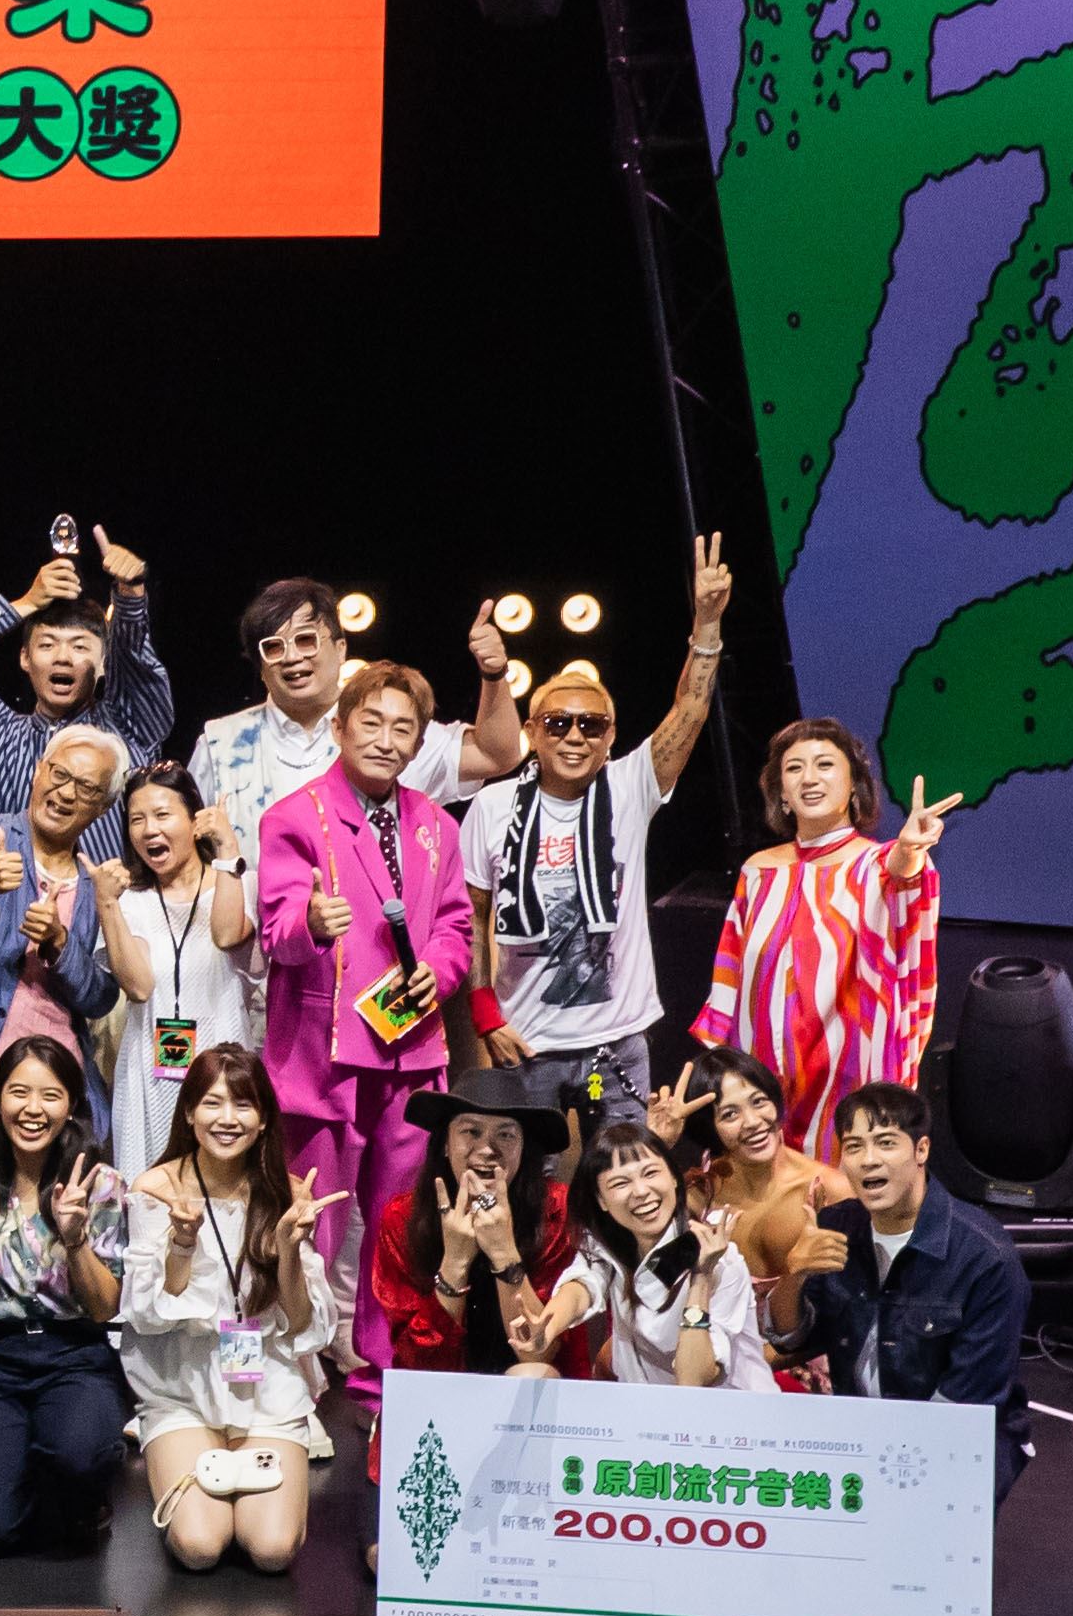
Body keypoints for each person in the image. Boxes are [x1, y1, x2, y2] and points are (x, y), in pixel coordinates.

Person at [463, 537, 736, 1122]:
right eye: (557, 723)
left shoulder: (629, 786)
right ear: (532, 732)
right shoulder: (492, 805)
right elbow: (472, 921)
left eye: (591, 724)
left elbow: (689, 711)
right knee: (530, 1174)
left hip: (616, 1043)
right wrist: (485, 1017)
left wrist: (707, 626)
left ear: (610, 737)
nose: (574, 735)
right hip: (525, 1041)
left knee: (625, 1169)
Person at [250, 658, 473, 1277]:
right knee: (308, 1226)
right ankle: (295, 1335)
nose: (385, 740)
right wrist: (311, 922)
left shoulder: (436, 825)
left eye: (403, 729)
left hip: (411, 1050)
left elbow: (456, 926)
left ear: (419, 744)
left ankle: (385, 1343)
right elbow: (276, 935)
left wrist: (438, 970)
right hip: (323, 1057)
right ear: (339, 728)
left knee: (400, 1230)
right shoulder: (294, 818)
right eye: (371, 723)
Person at [114, 1042, 346, 1576]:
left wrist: (289, 1250)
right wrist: (181, 1245)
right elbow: (150, 1315)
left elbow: (303, 1325)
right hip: (182, 1388)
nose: (227, 1119)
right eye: (212, 1103)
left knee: (271, 1550)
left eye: (243, 1105)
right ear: (188, 1113)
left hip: (265, 1390)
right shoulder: (158, 1189)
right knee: (200, 1546)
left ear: (263, 1120)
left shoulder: (288, 1194)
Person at [0, 1016, 133, 1551]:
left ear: (72, 1106)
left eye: (50, 1095)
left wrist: (76, 1239)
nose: (33, 1109)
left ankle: (72, 1483)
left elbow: (104, 1308)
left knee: (80, 1457)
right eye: (18, 1092)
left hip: (75, 1353)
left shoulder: (99, 1184)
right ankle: (17, 1470)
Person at [704, 721, 957, 1124]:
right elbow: (729, 979)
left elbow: (903, 872)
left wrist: (909, 849)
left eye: (824, 764)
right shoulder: (758, 872)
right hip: (764, 1084)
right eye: (794, 768)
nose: (809, 778)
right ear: (782, 794)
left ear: (854, 786)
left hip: (850, 1079)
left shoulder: (874, 866)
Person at [186, 576, 525, 875]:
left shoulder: (386, 731)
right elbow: (186, 856)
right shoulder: (220, 744)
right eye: (273, 647)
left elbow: (495, 755)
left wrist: (493, 674)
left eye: (306, 640)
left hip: (378, 927)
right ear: (260, 666)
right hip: (253, 928)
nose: (291, 657)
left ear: (341, 648)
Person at [788, 1078, 1032, 1492]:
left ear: (921, 1150)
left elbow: (965, 1402)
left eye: (886, 1143)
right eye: (854, 1147)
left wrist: (885, 1473)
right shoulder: (835, 1227)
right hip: (859, 1428)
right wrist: (794, 1273)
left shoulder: (985, 1257)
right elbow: (793, 1337)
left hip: (958, 1439)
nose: (868, 1160)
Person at [0, 726, 129, 1178]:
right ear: (38, 771)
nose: (66, 793)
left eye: (86, 788)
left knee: (57, 1214)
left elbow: (102, 997)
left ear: (104, 807)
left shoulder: (96, 884)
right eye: (60, 774)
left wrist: (60, 943)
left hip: (58, 1083)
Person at [0, 528, 176, 855]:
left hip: (108, 888)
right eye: (47, 645)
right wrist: (26, 603)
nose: (62, 657)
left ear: (103, 663)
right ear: (24, 658)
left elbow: (134, 659)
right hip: (9, 888)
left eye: (79, 646)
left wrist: (130, 594)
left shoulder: (127, 726)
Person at [92, 766, 260, 1179]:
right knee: (148, 1191)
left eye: (162, 815)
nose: (149, 829)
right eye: (137, 819)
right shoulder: (130, 901)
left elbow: (226, 934)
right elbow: (138, 986)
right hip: (148, 1072)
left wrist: (227, 850)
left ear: (194, 819)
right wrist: (107, 905)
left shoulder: (240, 881)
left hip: (223, 1066)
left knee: (221, 1187)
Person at [364, 1065, 579, 1383]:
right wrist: (454, 1263)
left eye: (505, 1135)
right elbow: (420, 1367)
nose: (487, 1150)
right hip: (441, 1389)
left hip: (531, 1385)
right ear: (445, 1144)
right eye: (471, 1132)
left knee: (531, 1373)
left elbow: (539, 1353)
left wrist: (504, 1253)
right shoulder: (403, 1218)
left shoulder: (556, 1211)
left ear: (523, 1148)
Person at [538, 1115, 769, 1389]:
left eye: (650, 1173)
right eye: (620, 1183)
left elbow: (693, 1379)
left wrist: (701, 1279)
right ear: (601, 1200)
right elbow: (581, 1287)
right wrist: (546, 1327)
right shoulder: (609, 1246)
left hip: (727, 1410)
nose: (640, 1191)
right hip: (642, 1408)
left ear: (673, 1178)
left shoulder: (720, 1260)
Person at [675, 1049, 858, 1353]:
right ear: (708, 1127)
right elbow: (647, 1274)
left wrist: (754, 1364)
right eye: (729, 1114)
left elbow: (849, 1319)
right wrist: (659, 1141)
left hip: (798, 1361)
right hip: (713, 1354)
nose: (752, 1122)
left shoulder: (831, 1191)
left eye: (759, 1102)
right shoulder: (700, 1191)